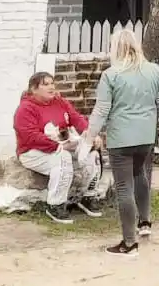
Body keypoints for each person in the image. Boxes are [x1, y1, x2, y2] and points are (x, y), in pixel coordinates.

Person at [85, 29, 159, 257]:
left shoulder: (111, 75)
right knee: (139, 175)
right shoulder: (154, 70)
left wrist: (88, 138)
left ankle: (129, 243)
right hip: (146, 136)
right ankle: (145, 222)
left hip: (121, 137)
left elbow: (101, 110)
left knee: (124, 186)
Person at [13, 71, 97, 224]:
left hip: (61, 145)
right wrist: (59, 146)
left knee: (92, 154)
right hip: (32, 151)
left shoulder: (60, 102)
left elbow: (76, 118)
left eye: (52, 83)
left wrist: (90, 135)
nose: (51, 87)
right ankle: (55, 205)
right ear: (34, 88)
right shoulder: (25, 109)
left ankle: (86, 196)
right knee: (63, 158)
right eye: (46, 84)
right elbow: (30, 136)